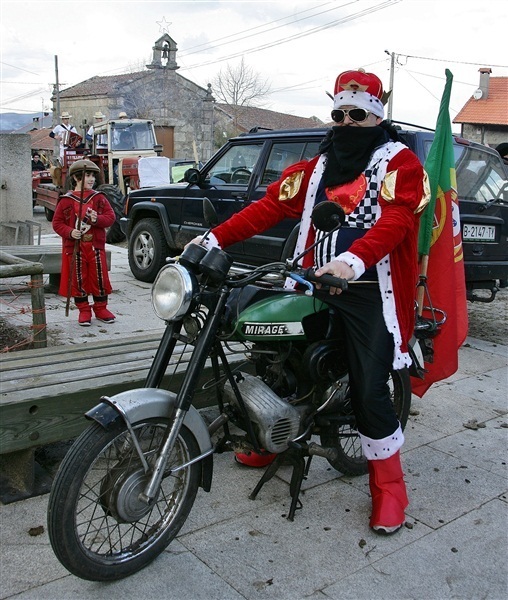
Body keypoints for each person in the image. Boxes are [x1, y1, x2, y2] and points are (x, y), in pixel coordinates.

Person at [190, 69, 430, 535]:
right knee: (272, 356)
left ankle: (390, 487)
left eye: (356, 115)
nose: (346, 123)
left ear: (376, 117)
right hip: (309, 281)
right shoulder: (314, 167)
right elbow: (267, 208)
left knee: (369, 388)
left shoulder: (399, 163)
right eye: (338, 115)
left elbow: (397, 221)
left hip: (368, 291)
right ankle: (274, 435)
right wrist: (212, 239)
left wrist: (352, 262)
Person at [52, 159, 117, 326]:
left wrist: (97, 219)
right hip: (75, 247)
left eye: (93, 176)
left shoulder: (99, 198)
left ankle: (101, 309)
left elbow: (110, 218)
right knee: (78, 279)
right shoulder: (66, 200)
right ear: (76, 178)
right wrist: (70, 232)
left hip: (95, 247)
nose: (91, 179)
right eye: (87, 175)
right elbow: (57, 223)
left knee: (99, 278)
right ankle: (84, 311)